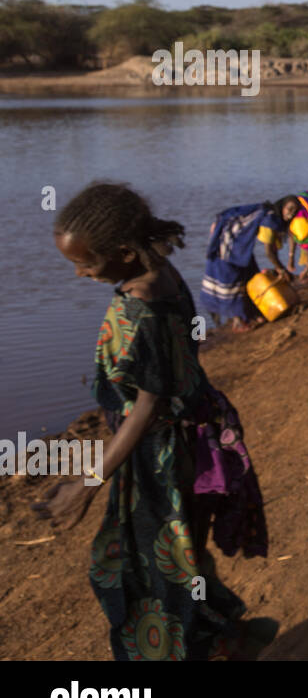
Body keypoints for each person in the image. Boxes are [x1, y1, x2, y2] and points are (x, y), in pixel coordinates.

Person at [37, 182, 273, 660]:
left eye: (86, 263)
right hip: (193, 437)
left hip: (165, 455)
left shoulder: (141, 307)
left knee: (151, 575)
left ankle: (209, 646)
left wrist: (88, 482)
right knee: (184, 562)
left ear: (124, 252)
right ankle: (225, 640)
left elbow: (147, 406)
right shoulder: (158, 272)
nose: (81, 274)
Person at [198, 195, 294, 331]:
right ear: (282, 206)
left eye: (294, 211)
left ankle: (252, 314)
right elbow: (270, 253)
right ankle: (239, 321)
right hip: (228, 244)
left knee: (251, 275)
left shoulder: (269, 215)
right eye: (289, 209)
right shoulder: (270, 219)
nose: (291, 214)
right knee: (232, 283)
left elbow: (273, 249)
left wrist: (280, 268)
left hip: (240, 243)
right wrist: (281, 269)